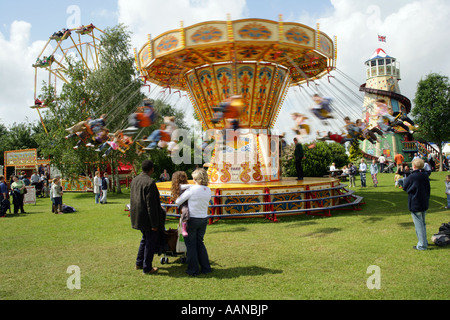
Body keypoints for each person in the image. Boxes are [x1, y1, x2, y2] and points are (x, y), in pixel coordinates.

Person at [130, 160, 166, 275]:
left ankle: (139, 263)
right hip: (147, 218)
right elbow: (152, 206)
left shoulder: (135, 180)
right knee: (150, 242)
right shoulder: (150, 183)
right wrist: (155, 224)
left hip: (137, 216)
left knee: (144, 239)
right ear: (152, 169)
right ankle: (147, 267)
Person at [174, 169, 212, 276]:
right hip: (203, 218)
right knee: (200, 243)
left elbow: (178, 201)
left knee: (191, 245)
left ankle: (193, 269)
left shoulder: (192, 190)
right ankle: (206, 267)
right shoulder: (208, 190)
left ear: (196, 179)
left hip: (192, 219)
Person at [403, 158, 430, 251]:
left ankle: (422, 245)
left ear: (413, 166)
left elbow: (405, 186)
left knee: (419, 224)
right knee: (422, 223)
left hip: (415, 202)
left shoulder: (412, 176)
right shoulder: (425, 175)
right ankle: (424, 241)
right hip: (424, 201)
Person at [171, 171, 190, 237]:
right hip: (184, 204)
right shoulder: (182, 186)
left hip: (182, 204)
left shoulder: (176, 187)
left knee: (184, 210)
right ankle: (184, 226)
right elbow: (187, 186)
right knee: (185, 210)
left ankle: (183, 225)